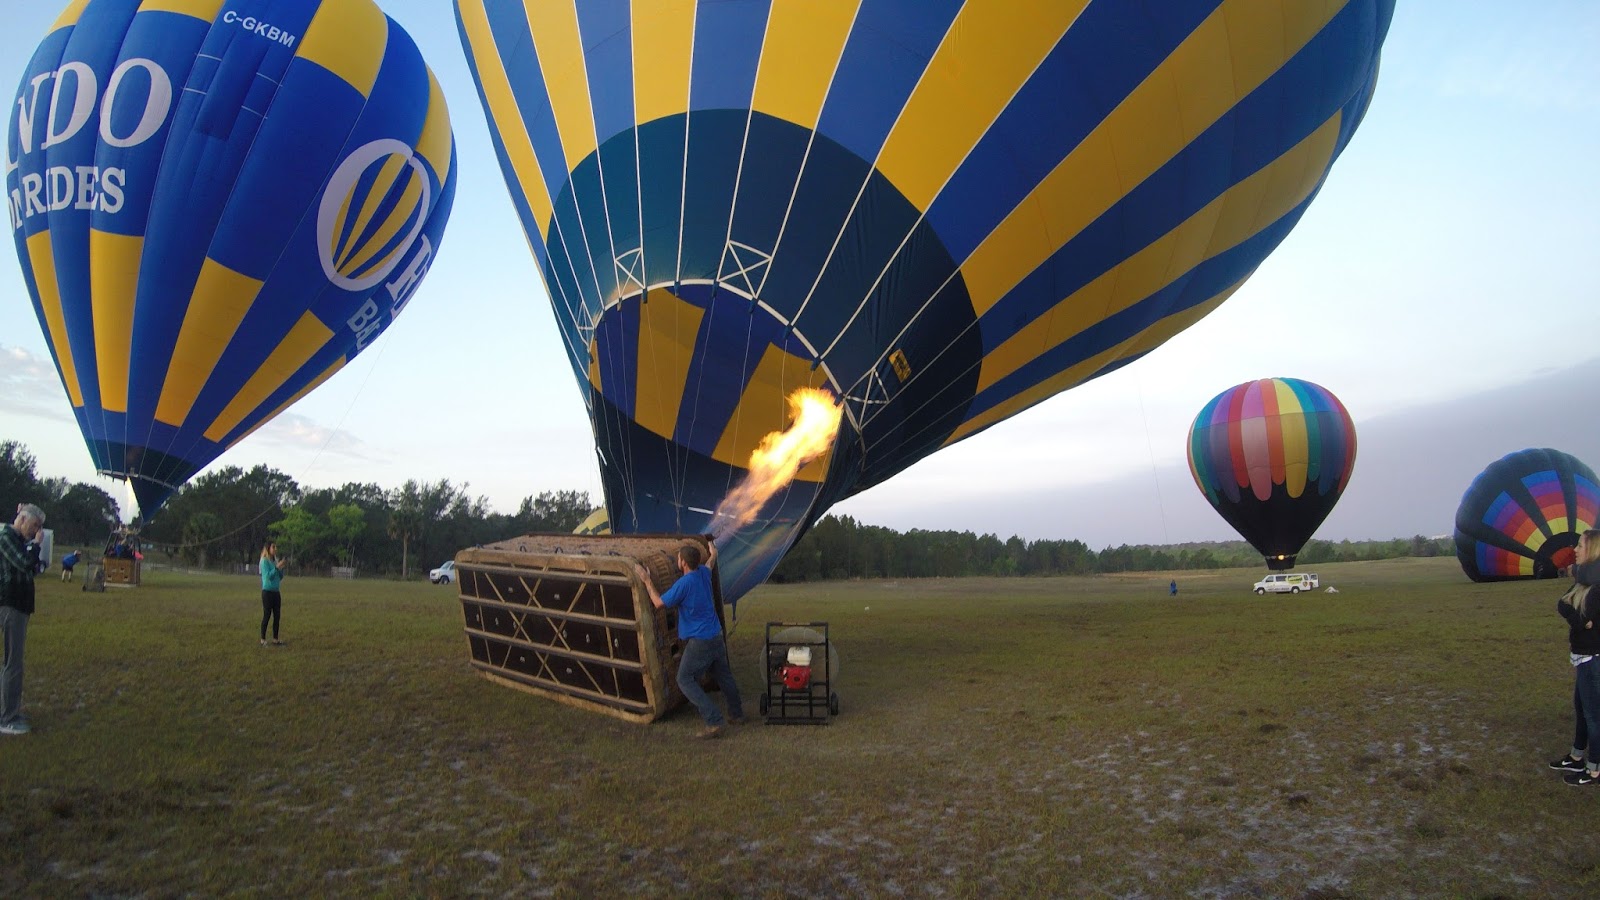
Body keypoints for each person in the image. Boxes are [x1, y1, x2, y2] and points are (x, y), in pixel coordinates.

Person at [633, 542, 744, 738]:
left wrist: (646, 579)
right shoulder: (703, 573)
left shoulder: (684, 584)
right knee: (724, 675)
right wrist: (714, 553)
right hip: (716, 635)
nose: (677, 561)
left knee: (684, 679)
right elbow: (710, 564)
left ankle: (713, 720)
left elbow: (659, 603)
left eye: (678, 558)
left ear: (683, 562)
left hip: (701, 641)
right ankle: (737, 714)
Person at [1550, 530, 1600, 786]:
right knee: (1581, 710)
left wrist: (1578, 618)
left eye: (1580, 545)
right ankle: (1577, 756)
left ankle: (1594, 770)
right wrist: (1578, 619)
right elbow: (1563, 605)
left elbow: (1584, 617)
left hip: (1593, 658)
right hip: (1582, 655)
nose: (1575, 549)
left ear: (1592, 550)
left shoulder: (1596, 586)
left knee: (1594, 715)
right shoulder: (1583, 581)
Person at [1, 503, 47, 736]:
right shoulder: (6, 537)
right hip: (11, 605)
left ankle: (12, 711)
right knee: (12, 662)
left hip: (21, 606)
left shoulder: (20, 541)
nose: (36, 531)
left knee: (16, 662)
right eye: (35, 526)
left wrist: (33, 552)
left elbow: (35, 568)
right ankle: (7, 718)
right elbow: (25, 563)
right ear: (22, 518)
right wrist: (36, 546)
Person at [259, 541, 286, 647]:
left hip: (276, 592)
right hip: (267, 592)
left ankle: (275, 639)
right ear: (268, 548)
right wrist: (276, 567)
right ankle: (263, 639)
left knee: (277, 616)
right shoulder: (264, 561)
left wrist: (280, 568)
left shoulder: (274, 561)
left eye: (276, 547)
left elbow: (280, 577)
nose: (275, 549)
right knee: (267, 615)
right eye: (273, 547)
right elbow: (268, 576)